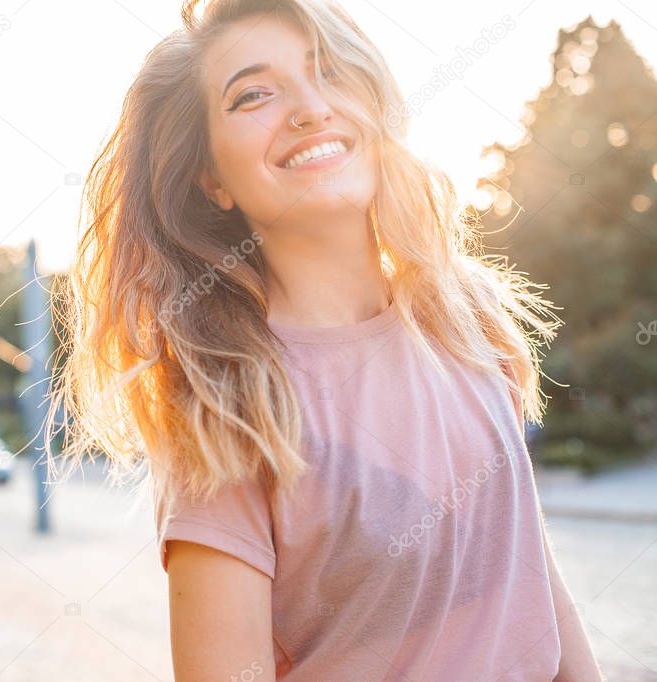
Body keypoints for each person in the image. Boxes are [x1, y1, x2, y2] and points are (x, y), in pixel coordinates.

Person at [45, 0, 603, 680]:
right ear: (211, 178)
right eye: (252, 94)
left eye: (330, 72)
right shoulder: (228, 406)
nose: (311, 108)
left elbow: (528, 573)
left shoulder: (469, 322)